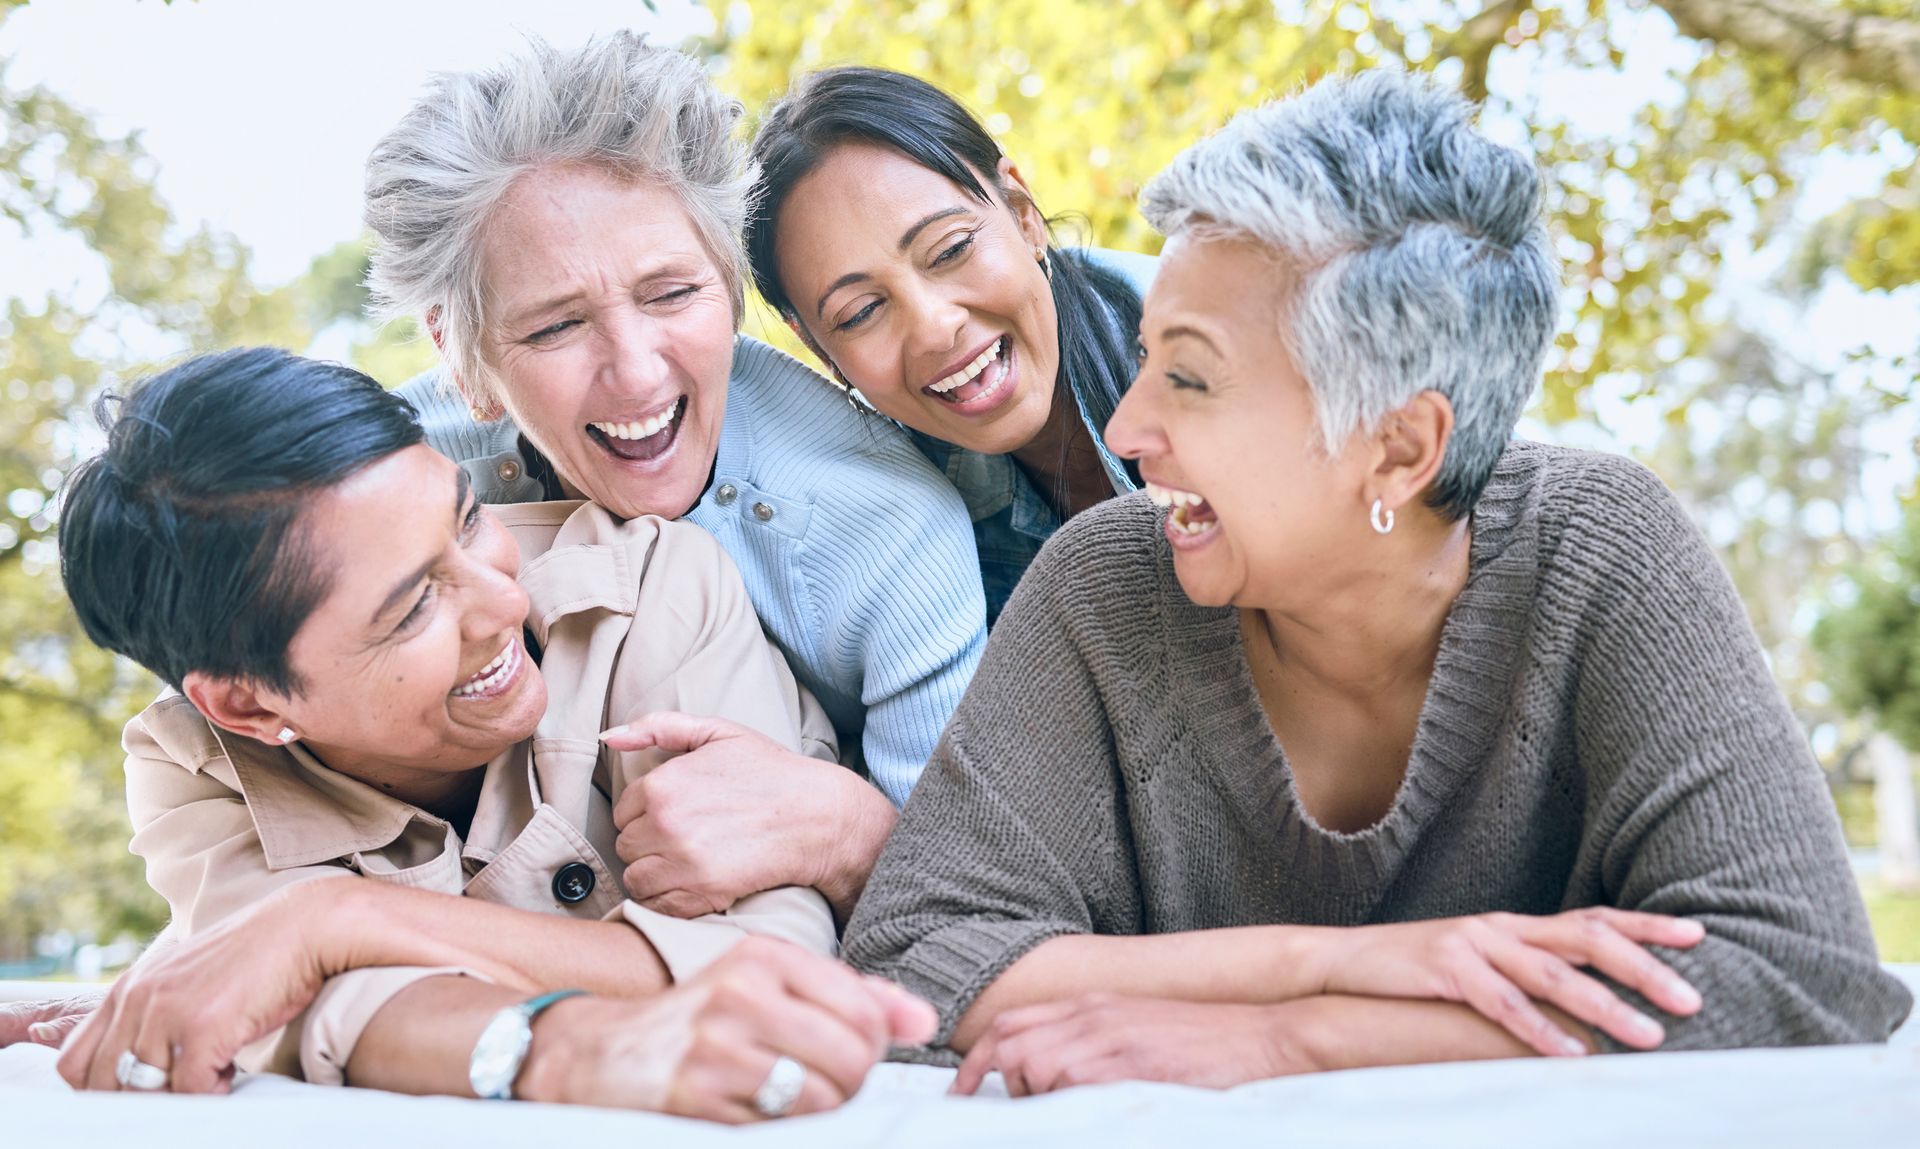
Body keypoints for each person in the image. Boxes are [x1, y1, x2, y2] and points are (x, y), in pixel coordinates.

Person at [843, 71, 1914, 1094]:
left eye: (1191, 377)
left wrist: (1299, 1040)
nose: (1125, 429)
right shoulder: (1104, 586)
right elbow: (912, 965)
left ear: (1400, 449)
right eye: (1145, 360)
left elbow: (1795, 970)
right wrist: (1323, 965)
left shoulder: (1602, 550)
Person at [46, 348, 933, 1120]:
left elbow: (773, 964)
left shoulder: (650, 586)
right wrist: (574, 1042)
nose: (506, 600)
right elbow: (311, 1011)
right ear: (250, 708)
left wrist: (338, 918)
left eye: (468, 518)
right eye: (413, 608)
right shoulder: (195, 766)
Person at [375, 36, 988, 917]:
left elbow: (966, 899)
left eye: (670, 294)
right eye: (555, 327)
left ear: (731, 283)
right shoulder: (383, 473)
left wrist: (853, 831)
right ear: (463, 360)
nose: (636, 373)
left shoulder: (889, 528)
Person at [746, 67, 1154, 623]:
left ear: (1023, 215)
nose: (934, 328)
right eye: (861, 312)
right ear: (820, 350)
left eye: (950, 250)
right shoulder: (886, 525)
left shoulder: (1234, 348)